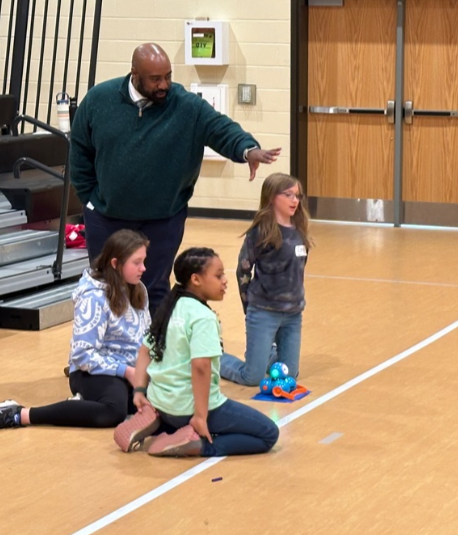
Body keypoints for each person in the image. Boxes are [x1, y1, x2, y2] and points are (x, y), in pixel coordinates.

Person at [70, 42, 281, 316]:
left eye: (168, 76)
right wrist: (90, 199)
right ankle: (102, 353)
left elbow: (220, 128)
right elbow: (79, 151)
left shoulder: (185, 105)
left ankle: (157, 355)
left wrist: (247, 149)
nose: (164, 85)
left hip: (163, 219)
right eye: (155, 79)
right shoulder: (99, 100)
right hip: (107, 217)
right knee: (106, 288)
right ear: (134, 73)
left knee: (154, 288)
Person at [112, 247, 280, 457]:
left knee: (179, 415)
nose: (225, 281)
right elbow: (200, 367)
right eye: (218, 276)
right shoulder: (203, 317)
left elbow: (144, 350)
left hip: (160, 401)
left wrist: (138, 391)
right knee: (268, 433)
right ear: (196, 279)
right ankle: (199, 445)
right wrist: (200, 416)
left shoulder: (170, 306)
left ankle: (161, 425)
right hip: (188, 409)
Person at [0, 230, 151, 432]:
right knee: (113, 411)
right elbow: (82, 355)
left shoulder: (138, 289)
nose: (143, 268)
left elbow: (144, 339)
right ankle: (18, 414)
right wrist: (126, 371)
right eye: (137, 262)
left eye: (143, 261)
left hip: (130, 369)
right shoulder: (93, 298)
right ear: (115, 264)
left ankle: (81, 404)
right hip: (91, 371)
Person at [219, 173, 312, 386]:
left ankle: (267, 353)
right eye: (288, 195)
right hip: (263, 311)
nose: (294, 200)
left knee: (289, 375)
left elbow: (299, 271)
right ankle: (213, 357)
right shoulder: (261, 232)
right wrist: (249, 306)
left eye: (297, 195)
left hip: (292, 314)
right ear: (271, 197)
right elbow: (243, 271)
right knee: (251, 377)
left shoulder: (299, 232)